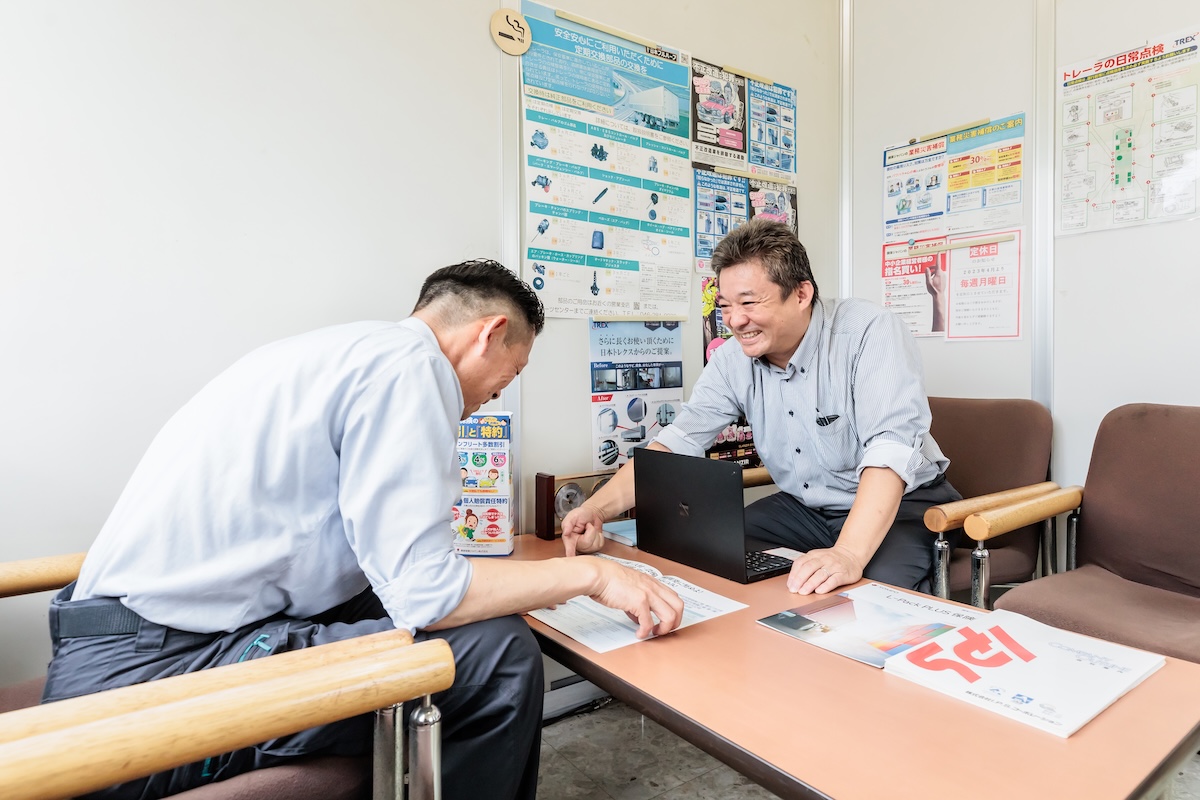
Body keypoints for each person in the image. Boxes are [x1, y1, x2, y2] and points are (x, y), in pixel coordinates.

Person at [43, 259, 684, 800]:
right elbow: (428, 593)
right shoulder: (411, 371)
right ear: (489, 334)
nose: (494, 397)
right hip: (147, 679)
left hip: (144, 636)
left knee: (471, 618)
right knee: (500, 659)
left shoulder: (349, 353)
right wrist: (592, 575)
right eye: (508, 377)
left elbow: (396, 567)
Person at [562, 220, 960, 595]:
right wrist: (596, 509)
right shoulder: (732, 360)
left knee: (872, 595)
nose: (735, 321)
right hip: (804, 509)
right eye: (725, 306)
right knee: (711, 552)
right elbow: (676, 442)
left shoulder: (869, 332)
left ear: (801, 294)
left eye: (749, 302)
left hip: (905, 506)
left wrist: (848, 554)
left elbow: (889, 452)